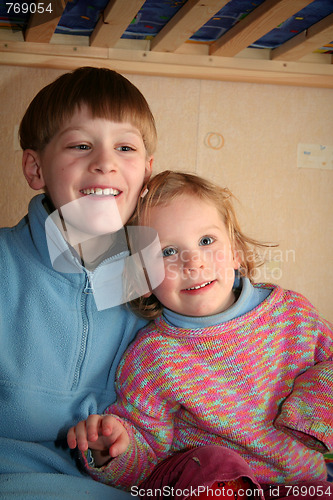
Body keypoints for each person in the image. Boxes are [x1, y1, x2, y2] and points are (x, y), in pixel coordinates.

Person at [68, 171, 333, 499]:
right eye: (167, 252)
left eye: (206, 241)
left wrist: (314, 414)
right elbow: (146, 451)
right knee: (215, 463)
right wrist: (111, 450)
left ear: (235, 252)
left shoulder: (291, 313)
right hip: (208, 481)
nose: (192, 262)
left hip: (299, 481)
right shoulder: (155, 356)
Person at [0, 66, 158, 499]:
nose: (104, 162)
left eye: (124, 147)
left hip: (116, 483)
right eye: (81, 145)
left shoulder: (154, 270)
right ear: (35, 168)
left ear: (145, 174)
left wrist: (117, 448)